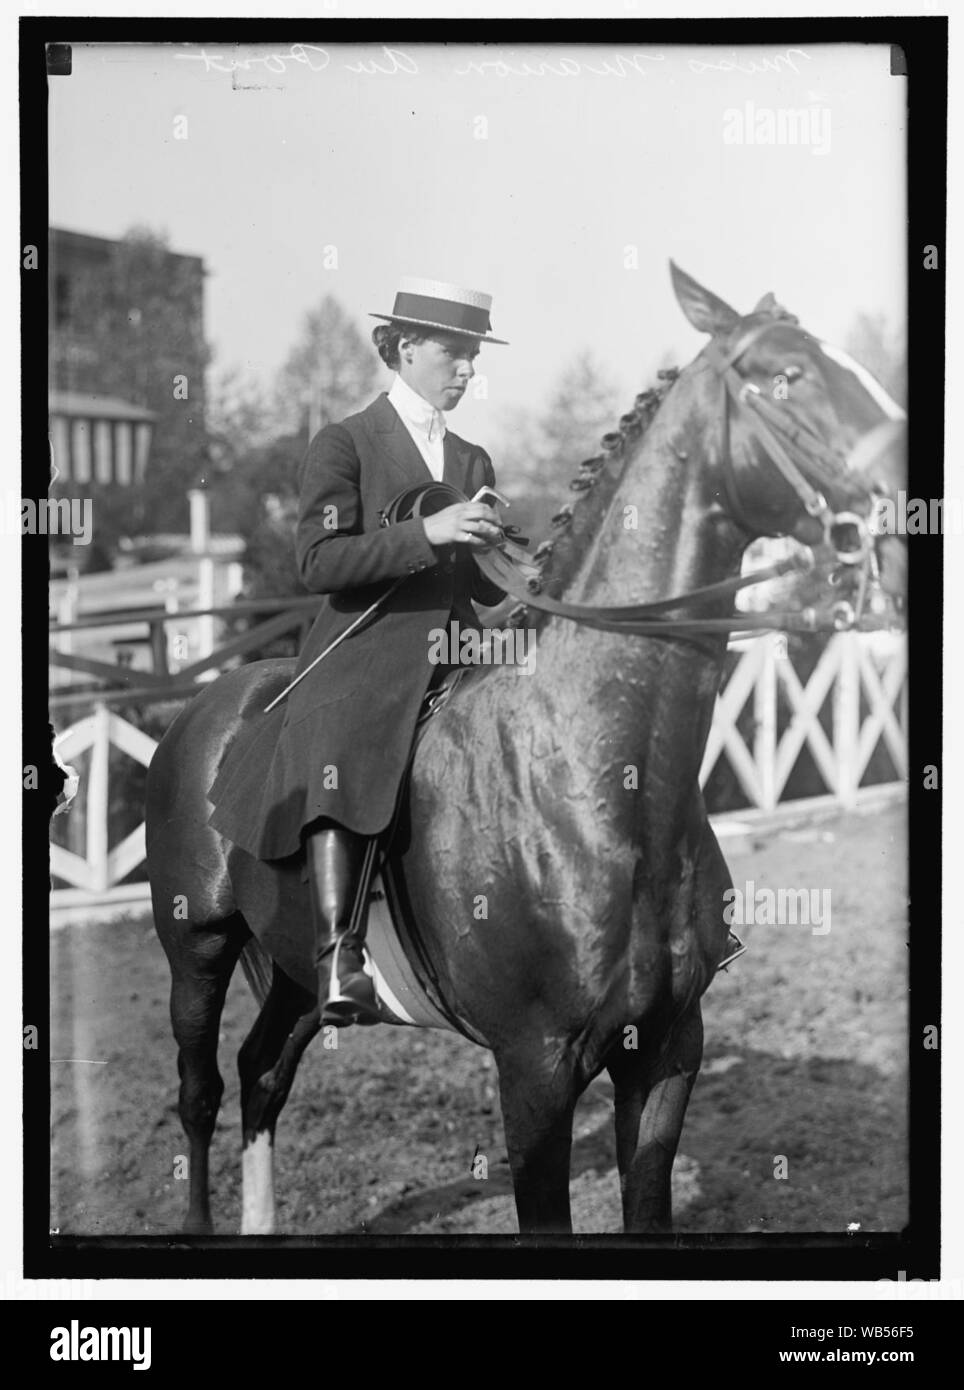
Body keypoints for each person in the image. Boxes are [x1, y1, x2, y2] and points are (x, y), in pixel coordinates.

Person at [208, 278, 508, 1026]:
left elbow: (477, 583)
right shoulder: (344, 442)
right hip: (363, 650)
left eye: (474, 356)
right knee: (344, 738)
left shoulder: (473, 460)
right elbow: (317, 562)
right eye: (455, 353)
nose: (467, 370)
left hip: (455, 647)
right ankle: (339, 953)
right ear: (405, 348)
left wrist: (512, 567)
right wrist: (427, 535)